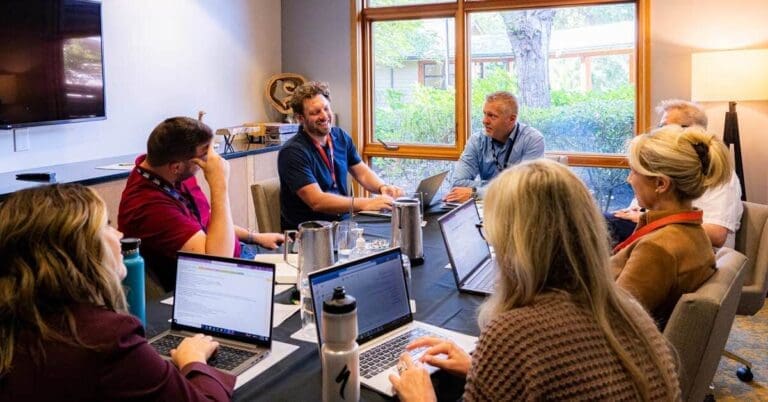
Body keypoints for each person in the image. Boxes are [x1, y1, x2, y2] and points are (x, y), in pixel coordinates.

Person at [389, 160, 681, 401]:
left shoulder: (515, 334)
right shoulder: (631, 312)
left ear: (515, 243)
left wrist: (421, 398)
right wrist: (481, 370)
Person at [0, 184, 234, 401]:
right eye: (107, 225)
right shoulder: (108, 339)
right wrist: (195, 361)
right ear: (79, 251)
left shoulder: (18, 327)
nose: (120, 235)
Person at [119, 116, 284, 291]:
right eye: (206, 154)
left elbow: (207, 220)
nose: (214, 161)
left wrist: (254, 237)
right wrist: (219, 185)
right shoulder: (148, 207)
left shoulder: (170, 173)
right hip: (216, 282)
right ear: (176, 167)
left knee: (303, 258)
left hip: (240, 253)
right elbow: (218, 264)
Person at [611, 125, 732, 328]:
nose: (629, 179)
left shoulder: (657, 248)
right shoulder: (691, 233)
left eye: (633, 171)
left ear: (661, 184)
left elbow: (614, 320)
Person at [608, 99, 743, 248]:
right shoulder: (666, 169)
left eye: (666, 128)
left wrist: (651, 220)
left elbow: (717, 235)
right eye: (660, 127)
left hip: (688, 249)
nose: (659, 133)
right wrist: (637, 213)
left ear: (695, 130)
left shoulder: (715, 174)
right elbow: (640, 208)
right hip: (656, 235)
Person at [278, 81, 404, 230]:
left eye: (326, 109)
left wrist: (382, 187)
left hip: (343, 225)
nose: (324, 116)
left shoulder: (340, 137)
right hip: (310, 233)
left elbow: (362, 173)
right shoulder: (292, 152)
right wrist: (368, 203)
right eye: (315, 112)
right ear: (300, 118)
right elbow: (317, 201)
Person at [444, 91, 544, 203]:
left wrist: (476, 192)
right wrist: (505, 188)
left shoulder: (532, 140)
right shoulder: (477, 141)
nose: (484, 121)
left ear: (512, 119)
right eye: (485, 114)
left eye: (492, 116)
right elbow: (458, 183)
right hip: (486, 207)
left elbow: (525, 189)